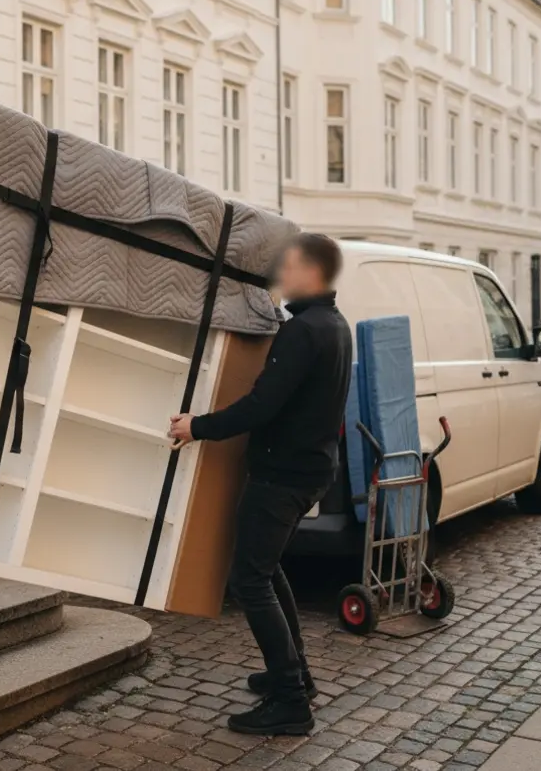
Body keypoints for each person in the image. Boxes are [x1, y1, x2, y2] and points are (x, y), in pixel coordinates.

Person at [169, 232, 352, 736]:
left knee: (249, 579)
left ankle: (291, 700)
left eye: (289, 266)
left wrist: (197, 427)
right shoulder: (334, 325)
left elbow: (261, 405)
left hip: (282, 477)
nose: (281, 275)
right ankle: (294, 676)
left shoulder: (303, 331)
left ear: (312, 272)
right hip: (309, 471)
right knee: (266, 571)